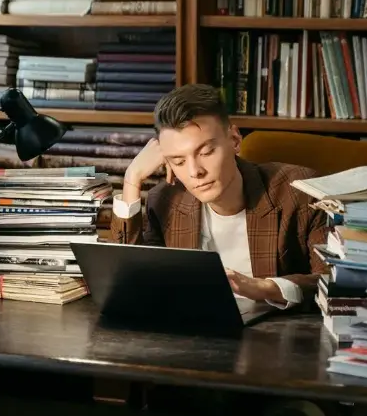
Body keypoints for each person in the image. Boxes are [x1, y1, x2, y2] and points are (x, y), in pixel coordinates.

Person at [111, 84, 327, 309]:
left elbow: (336, 282)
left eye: (205, 152)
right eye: (179, 161)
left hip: (279, 337)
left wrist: (264, 288)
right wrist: (131, 179)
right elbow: (129, 282)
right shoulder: (165, 201)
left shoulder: (301, 192)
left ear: (234, 140)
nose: (195, 171)